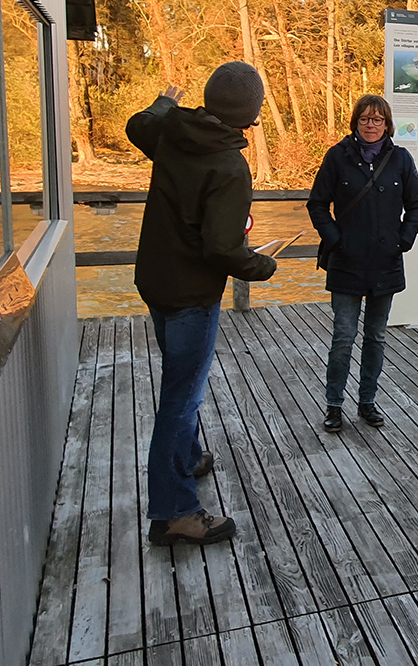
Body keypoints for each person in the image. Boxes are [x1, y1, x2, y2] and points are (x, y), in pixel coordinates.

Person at [127, 61, 277, 546]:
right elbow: (222, 248)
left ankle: (189, 457)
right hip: (192, 293)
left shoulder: (172, 131)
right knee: (181, 396)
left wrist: (164, 102)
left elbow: (137, 126)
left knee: (179, 377)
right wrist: (263, 266)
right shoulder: (230, 166)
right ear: (250, 115)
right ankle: (174, 512)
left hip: (156, 280)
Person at [307, 94, 418, 433]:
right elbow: (317, 204)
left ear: (388, 125)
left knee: (376, 336)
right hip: (346, 261)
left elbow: (417, 205)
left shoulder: (400, 160)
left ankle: (367, 401)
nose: (371, 125)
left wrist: (404, 239)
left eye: (377, 120)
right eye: (365, 119)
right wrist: (335, 239)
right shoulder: (337, 157)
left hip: (385, 262)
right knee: (343, 335)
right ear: (355, 122)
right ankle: (334, 405)